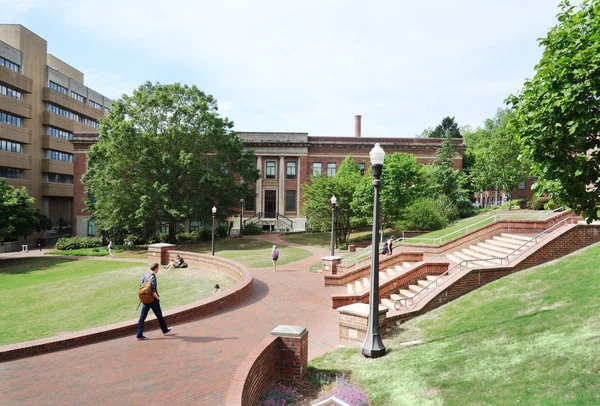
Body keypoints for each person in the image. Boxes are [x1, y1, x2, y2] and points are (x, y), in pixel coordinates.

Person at [136, 262, 172, 340]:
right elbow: (153, 290)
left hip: (145, 300)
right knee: (159, 316)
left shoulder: (145, 275)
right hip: (153, 300)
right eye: (158, 268)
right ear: (156, 269)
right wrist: (157, 297)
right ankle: (164, 330)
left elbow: (141, 285)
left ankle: (139, 334)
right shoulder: (153, 277)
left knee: (142, 317)